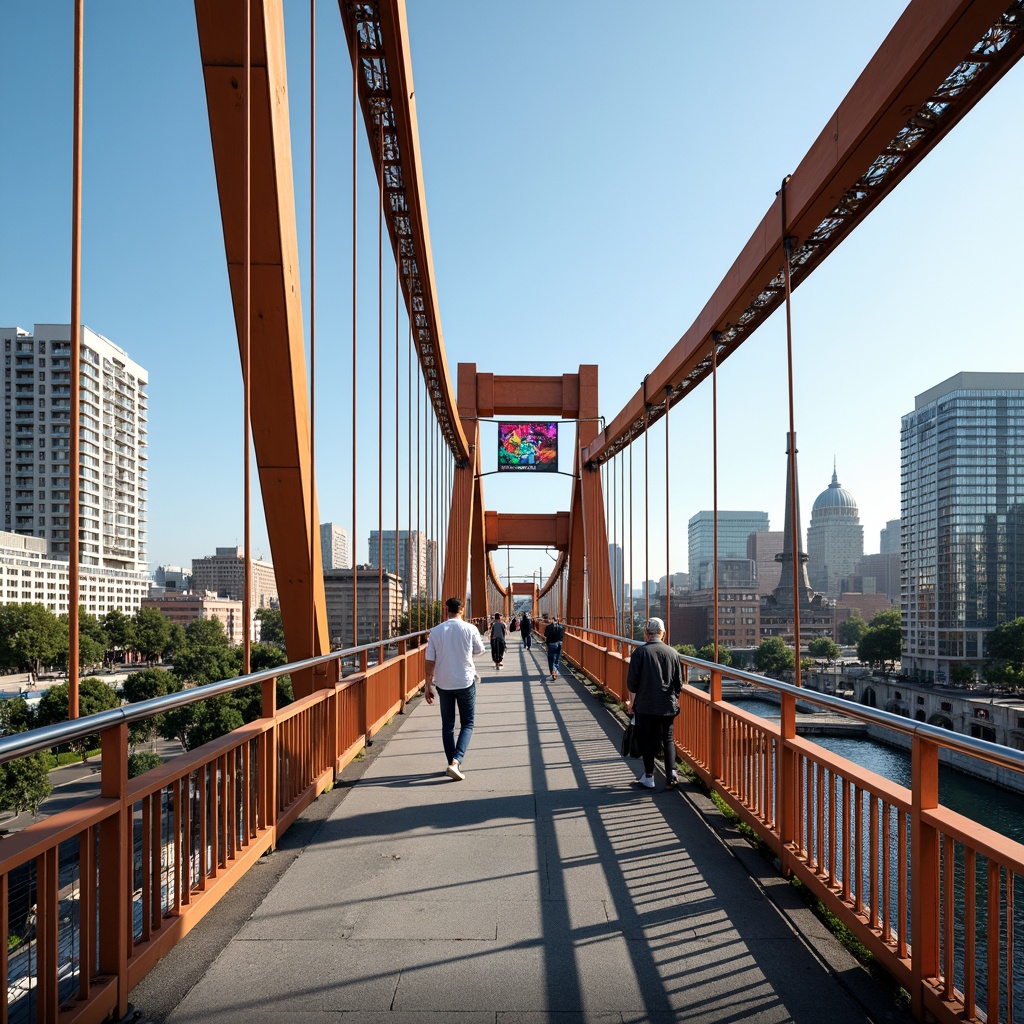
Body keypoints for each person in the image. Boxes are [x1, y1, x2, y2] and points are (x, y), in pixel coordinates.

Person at [423, 596, 486, 781]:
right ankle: (456, 762)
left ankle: (452, 763)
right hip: (465, 681)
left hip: (443, 683)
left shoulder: (435, 631)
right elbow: (480, 650)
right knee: (468, 723)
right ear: (462, 610)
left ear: (446, 610)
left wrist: (428, 685)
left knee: (447, 725)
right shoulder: (470, 628)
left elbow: (429, 661)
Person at [625, 617, 683, 790]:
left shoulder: (639, 653)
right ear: (663, 633)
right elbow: (679, 683)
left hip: (645, 705)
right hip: (667, 704)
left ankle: (649, 776)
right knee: (668, 738)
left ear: (646, 633)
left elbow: (632, 684)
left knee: (647, 739)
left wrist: (631, 704)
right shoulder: (673, 653)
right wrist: (673, 699)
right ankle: (671, 774)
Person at [543, 615, 565, 679]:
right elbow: (562, 636)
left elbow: (546, 635)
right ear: (557, 620)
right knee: (557, 659)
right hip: (559, 644)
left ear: (552, 620)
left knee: (551, 660)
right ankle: (555, 671)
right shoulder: (561, 627)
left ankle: (553, 673)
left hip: (552, 644)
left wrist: (547, 644)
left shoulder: (548, 627)